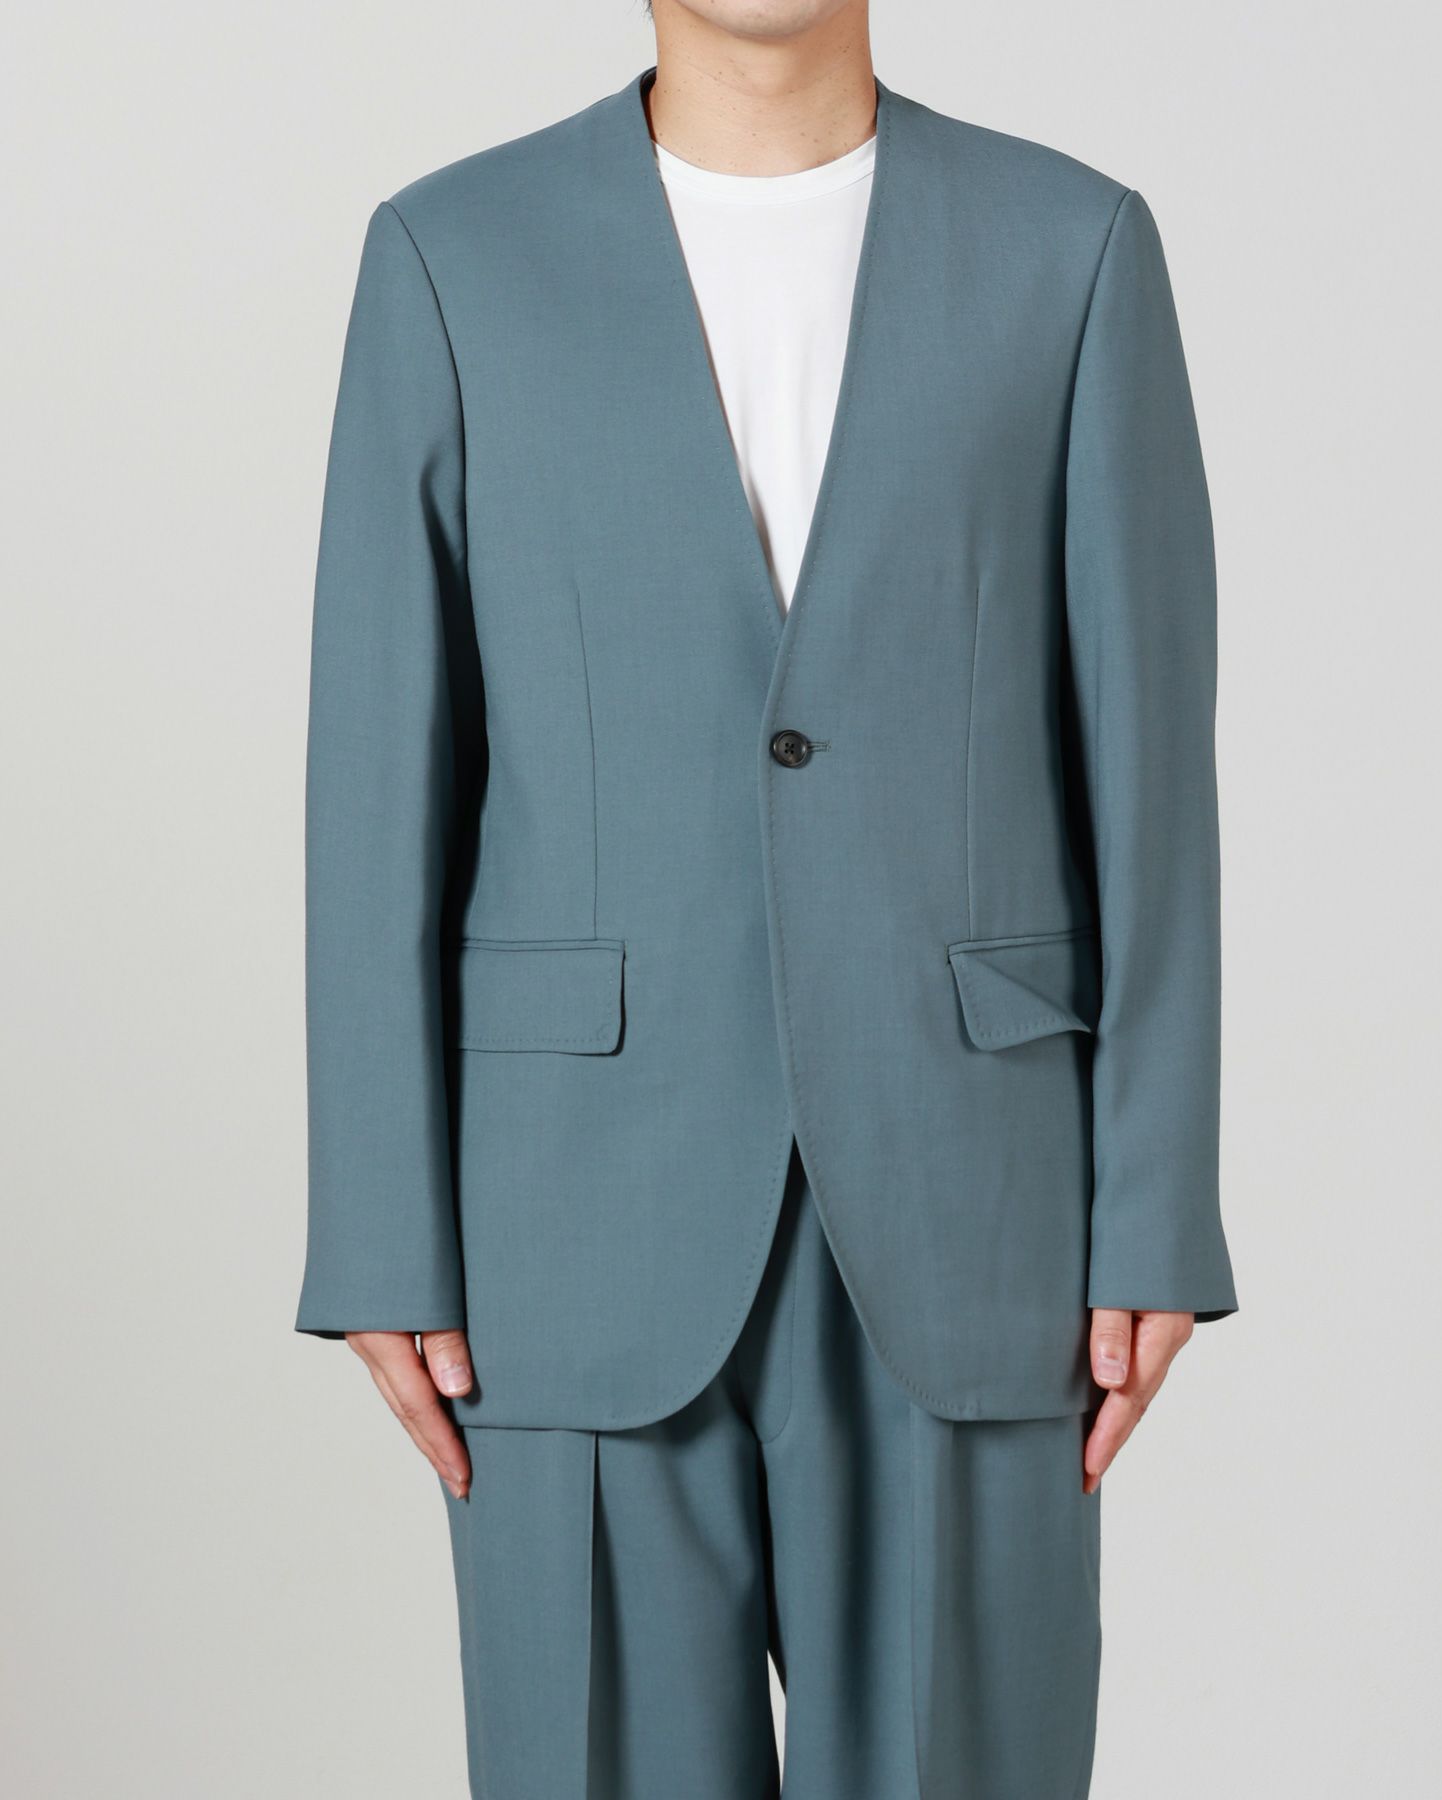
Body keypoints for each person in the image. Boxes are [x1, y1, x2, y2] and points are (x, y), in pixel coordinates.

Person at [296, 2, 1236, 1793]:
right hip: (567, 1211)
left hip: (976, 1205)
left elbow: (1149, 763)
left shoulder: (1073, 250)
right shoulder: (450, 258)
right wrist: (378, 1229)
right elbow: (379, 770)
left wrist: (1157, 1208)